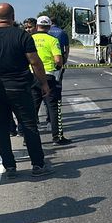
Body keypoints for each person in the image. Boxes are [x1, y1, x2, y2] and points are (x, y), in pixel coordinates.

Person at [0, 3, 54, 178]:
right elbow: (35, 62)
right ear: (13, 17)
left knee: (1, 128)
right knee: (29, 125)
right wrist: (44, 84)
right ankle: (38, 165)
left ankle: (9, 167)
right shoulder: (22, 35)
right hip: (20, 87)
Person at [32, 16, 72, 146]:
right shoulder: (53, 40)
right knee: (53, 107)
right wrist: (58, 68)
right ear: (49, 27)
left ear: (37, 26)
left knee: (32, 108)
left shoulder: (29, 39)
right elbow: (58, 60)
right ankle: (57, 137)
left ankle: (28, 139)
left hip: (31, 77)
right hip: (48, 76)